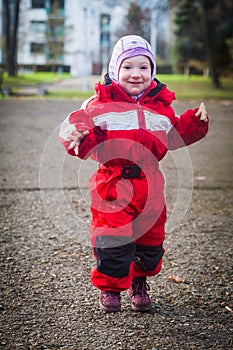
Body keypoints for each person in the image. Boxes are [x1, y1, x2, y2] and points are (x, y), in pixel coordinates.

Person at [59, 35, 208, 313]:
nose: (136, 74)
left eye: (143, 67)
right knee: (112, 240)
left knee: (149, 241)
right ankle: (111, 288)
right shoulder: (99, 103)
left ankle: (139, 282)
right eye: (128, 67)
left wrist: (194, 124)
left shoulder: (160, 106)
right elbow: (76, 127)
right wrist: (77, 137)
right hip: (112, 182)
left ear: (152, 71)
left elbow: (172, 135)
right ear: (116, 70)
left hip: (150, 182)